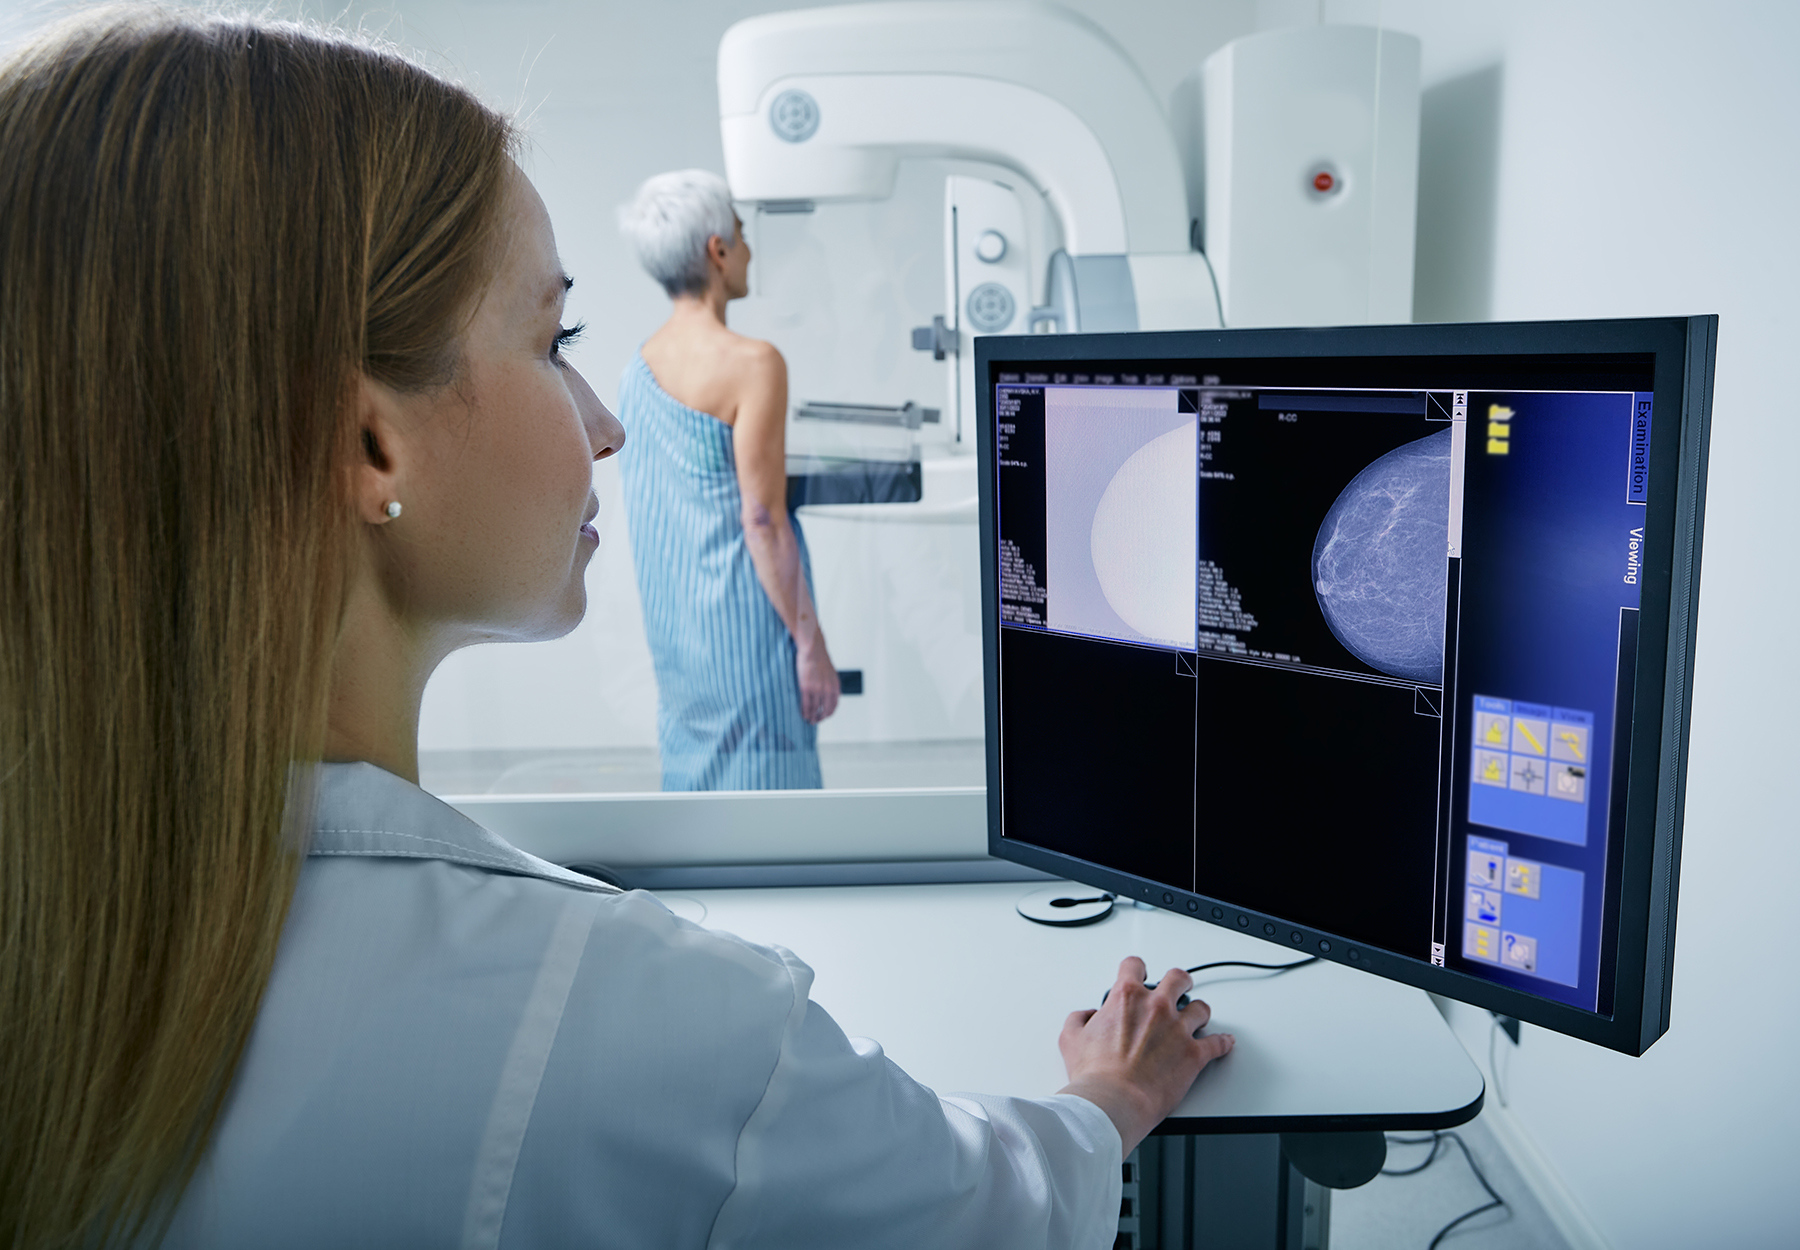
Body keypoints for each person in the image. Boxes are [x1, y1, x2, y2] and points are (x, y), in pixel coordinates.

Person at [0, 10, 1234, 1249]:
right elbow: (988, 1207)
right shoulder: (650, 1025)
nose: (604, 423)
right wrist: (1111, 1094)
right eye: (552, 342)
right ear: (371, 439)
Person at [615, 170, 837, 791]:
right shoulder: (754, 364)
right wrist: (809, 642)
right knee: (773, 826)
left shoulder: (636, 370)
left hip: (681, 644)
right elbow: (762, 521)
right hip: (749, 631)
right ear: (717, 251)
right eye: (741, 235)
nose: (749, 249)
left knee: (703, 818)